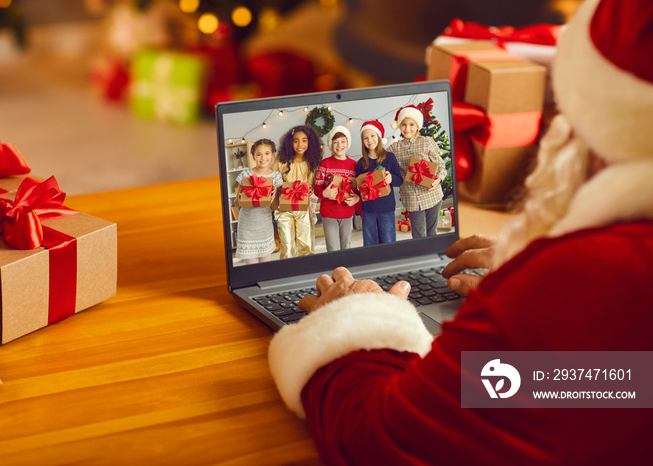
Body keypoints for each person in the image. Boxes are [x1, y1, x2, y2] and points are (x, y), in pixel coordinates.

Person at [267, 0, 653, 464]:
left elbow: (377, 441)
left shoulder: (600, 277)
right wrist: (529, 286)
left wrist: (352, 323)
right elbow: (622, 384)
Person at [387, 104, 447, 238]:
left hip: (432, 195)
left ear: (417, 126)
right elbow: (381, 160)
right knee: (419, 235)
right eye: (403, 124)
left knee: (432, 233)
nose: (407, 128)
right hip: (412, 199)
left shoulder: (427, 142)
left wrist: (439, 180)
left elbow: (441, 166)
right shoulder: (394, 148)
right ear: (399, 126)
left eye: (411, 124)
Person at [272, 125, 323, 259]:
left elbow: (317, 182)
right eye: (296, 141)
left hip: (304, 208)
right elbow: (271, 179)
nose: (300, 144)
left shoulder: (313, 161)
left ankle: (306, 271)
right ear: (290, 142)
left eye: (304, 140)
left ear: (310, 142)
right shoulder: (281, 160)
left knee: (306, 244)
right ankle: (288, 272)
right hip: (284, 208)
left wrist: (312, 187)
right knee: (287, 245)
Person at [233, 139, 283, 264]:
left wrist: (275, 194)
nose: (263, 157)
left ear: (273, 154)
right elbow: (237, 203)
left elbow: (275, 206)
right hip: (246, 226)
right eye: (259, 154)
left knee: (264, 267)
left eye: (267, 153)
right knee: (250, 266)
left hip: (264, 227)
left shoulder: (276, 176)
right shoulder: (246, 174)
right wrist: (240, 195)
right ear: (253, 156)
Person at [354, 120, 403, 246]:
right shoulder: (361, 163)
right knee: (370, 243)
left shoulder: (390, 157)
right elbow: (357, 187)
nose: (369, 140)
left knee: (388, 242)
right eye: (365, 138)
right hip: (368, 210)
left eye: (372, 136)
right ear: (362, 141)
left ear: (379, 137)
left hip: (386, 209)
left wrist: (391, 178)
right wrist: (359, 188)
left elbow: (400, 180)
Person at [314, 126, 360, 251]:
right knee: (333, 248)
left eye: (343, 141)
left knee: (346, 246)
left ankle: (345, 270)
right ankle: (334, 270)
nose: (339, 145)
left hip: (347, 213)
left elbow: (358, 189)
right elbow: (316, 189)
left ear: (348, 143)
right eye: (335, 142)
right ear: (330, 145)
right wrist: (325, 193)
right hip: (329, 214)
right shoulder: (325, 164)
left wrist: (356, 198)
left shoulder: (354, 165)